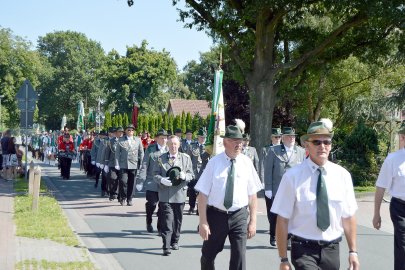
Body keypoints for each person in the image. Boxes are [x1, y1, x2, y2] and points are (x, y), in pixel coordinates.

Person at [271, 120, 359, 270]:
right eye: (317, 142)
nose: (322, 146)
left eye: (327, 142)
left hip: (331, 249)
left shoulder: (342, 176)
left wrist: (353, 252)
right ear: (307, 145)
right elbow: (282, 219)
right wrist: (283, 258)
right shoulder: (292, 177)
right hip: (303, 249)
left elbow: (348, 217)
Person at [195, 124, 262, 270]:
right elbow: (203, 194)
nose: (239, 144)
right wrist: (203, 222)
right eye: (234, 141)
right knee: (208, 255)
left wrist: (253, 221)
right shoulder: (214, 163)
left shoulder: (246, 163)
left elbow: (252, 194)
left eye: (241, 141)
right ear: (225, 142)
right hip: (216, 215)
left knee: (239, 256)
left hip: (239, 215)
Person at [263, 127, 306, 247]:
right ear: (283, 138)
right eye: (289, 136)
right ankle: (273, 235)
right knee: (275, 215)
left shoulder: (301, 151)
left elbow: (303, 171)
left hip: (294, 189)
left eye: (293, 136)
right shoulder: (274, 150)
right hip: (277, 188)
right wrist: (268, 188)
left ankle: (288, 239)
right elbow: (268, 171)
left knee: (292, 215)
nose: (292, 138)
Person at [153, 135, 193, 256]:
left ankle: (175, 241)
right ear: (167, 145)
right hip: (166, 194)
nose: (173, 146)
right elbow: (154, 174)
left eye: (175, 144)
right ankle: (166, 246)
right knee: (167, 221)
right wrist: (161, 180)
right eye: (171, 144)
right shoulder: (160, 158)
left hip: (180, 194)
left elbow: (191, 174)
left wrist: (185, 176)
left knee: (177, 220)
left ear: (179, 145)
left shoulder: (185, 158)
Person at [373, 121, 405, 270]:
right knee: (403, 246)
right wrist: (376, 214)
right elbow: (381, 186)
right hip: (400, 209)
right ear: (403, 138)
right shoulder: (393, 159)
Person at [137, 128, 168, 233]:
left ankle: (160, 227)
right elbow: (145, 164)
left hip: (165, 182)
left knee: (163, 206)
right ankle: (149, 220)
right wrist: (140, 180)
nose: (164, 140)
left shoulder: (169, 149)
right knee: (152, 204)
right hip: (152, 181)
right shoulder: (151, 149)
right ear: (156, 139)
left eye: (165, 138)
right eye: (161, 138)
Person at [115, 124, 144, 206]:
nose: (130, 131)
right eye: (128, 130)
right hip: (123, 164)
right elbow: (117, 153)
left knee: (132, 182)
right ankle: (123, 197)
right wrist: (117, 163)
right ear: (125, 131)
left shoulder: (138, 140)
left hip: (134, 164)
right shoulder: (121, 140)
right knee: (123, 181)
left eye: (132, 130)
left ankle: (129, 198)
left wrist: (141, 163)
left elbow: (141, 152)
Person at [188, 128, 210, 215]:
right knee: (192, 191)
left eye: (204, 137)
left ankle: (199, 208)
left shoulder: (208, 147)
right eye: (201, 137)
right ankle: (191, 206)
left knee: (202, 191)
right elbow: (188, 158)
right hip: (194, 172)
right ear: (198, 137)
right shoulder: (192, 146)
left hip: (204, 172)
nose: (202, 139)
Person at [103, 127, 123, 201]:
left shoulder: (125, 141)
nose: (121, 134)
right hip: (112, 163)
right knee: (112, 178)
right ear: (116, 133)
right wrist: (106, 164)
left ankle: (120, 196)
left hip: (122, 164)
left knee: (122, 180)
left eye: (122, 132)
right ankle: (112, 193)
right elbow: (107, 153)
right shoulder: (111, 141)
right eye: (119, 132)